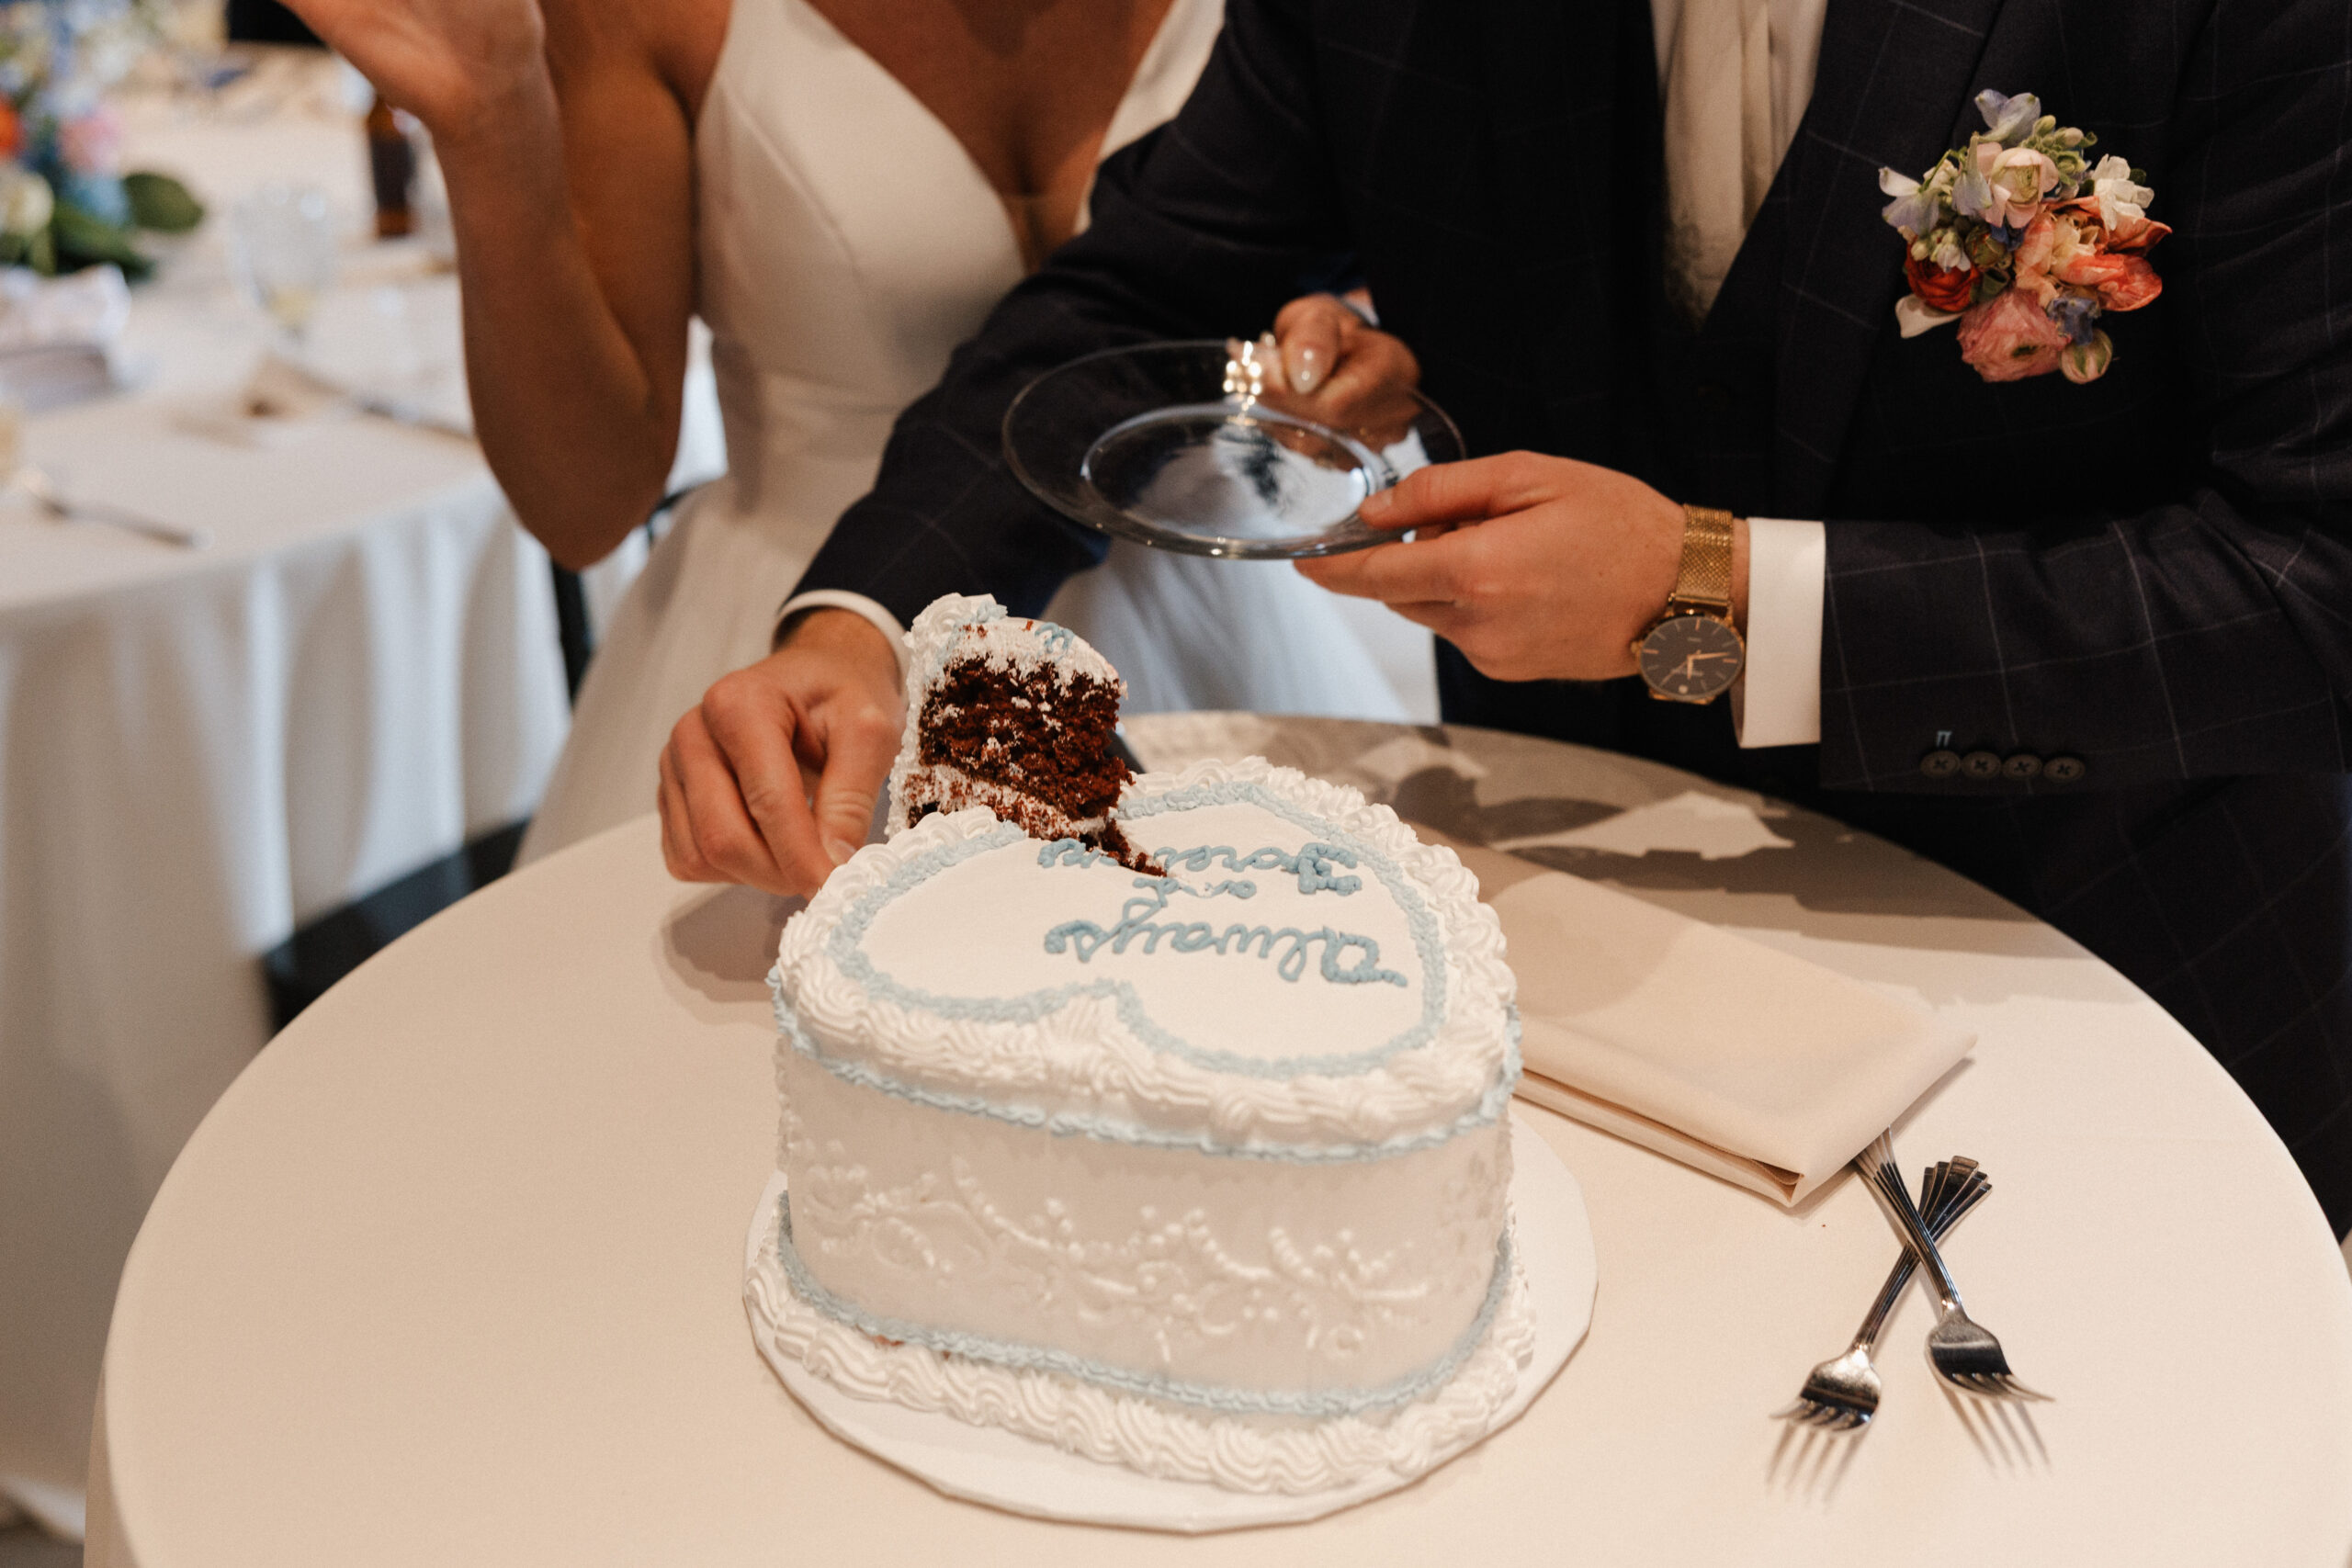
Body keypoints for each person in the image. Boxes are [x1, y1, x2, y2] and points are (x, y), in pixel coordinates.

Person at [662, 0, 2352, 1235]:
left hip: (2110, 981)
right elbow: (1135, 294)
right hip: (1576, 998)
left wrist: (1709, 597)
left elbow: (2315, 583)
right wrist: (859, 621)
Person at [282, 0, 1431, 865]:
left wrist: (1336, 348)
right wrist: (492, 120)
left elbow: (1226, 267)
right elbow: (586, 506)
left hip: (1216, 620)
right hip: (823, 647)